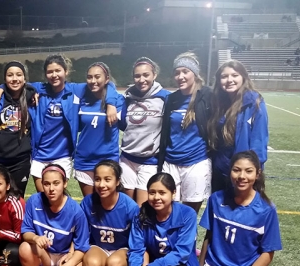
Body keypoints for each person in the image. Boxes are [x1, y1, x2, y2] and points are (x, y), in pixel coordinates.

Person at [0, 54, 119, 193]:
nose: (54, 75)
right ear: (45, 74)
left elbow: (108, 84)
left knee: (56, 198)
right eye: (50, 72)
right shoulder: (39, 89)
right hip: (39, 155)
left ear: (66, 72)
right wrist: (0, 89)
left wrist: (110, 104)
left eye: (58, 71)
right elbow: (17, 83)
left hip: (63, 156)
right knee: (44, 199)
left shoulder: (75, 90)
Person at [20, 164, 90, 266]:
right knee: (25, 248)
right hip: (44, 254)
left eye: (56, 183)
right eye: (46, 184)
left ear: (65, 183)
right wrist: (35, 238)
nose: (51, 188)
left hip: (64, 256)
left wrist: (69, 264)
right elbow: (25, 231)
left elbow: (82, 246)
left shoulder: (76, 211)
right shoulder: (34, 201)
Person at [159, 52, 213, 213]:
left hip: (196, 162)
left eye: (185, 72)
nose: (180, 76)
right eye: (177, 73)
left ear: (195, 74)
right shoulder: (172, 99)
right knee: (167, 211)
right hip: (170, 162)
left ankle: (189, 239)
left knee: (189, 214)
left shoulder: (207, 96)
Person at [80, 160, 139, 266]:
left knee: (115, 265)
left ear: (117, 181)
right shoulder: (88, 202)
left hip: (122, 249)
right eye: (98, 179)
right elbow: (80, 231)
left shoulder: (130, 207)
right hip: (99, 247)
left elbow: (138, 240)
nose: (101, 185)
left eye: (107, 179)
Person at [207, 60, 268, 193]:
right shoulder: (218, 103)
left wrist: (253, 170)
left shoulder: (254, 102)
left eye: (234, 75)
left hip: (242, 172)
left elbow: (259, 139)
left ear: (243, 77)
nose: (229, 80)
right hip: (220, 171)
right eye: (224, 77)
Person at [119, 57, 171, 205]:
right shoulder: (128, 98)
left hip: (150, 161)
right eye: (137, 76)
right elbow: (123, 124)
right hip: (127, 159)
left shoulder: (165, 97)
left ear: (154, 75)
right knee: (127, 206)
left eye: (146, 75)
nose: (141, 79)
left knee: (143, 207)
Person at [73, 62, 125, 197]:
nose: (93, 81)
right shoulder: (82, 99)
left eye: (97, 77)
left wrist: (111, 103)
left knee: (108, 204)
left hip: (107, 160)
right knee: (91, 205)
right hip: (84, 161)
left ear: (107, 78)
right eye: (89, 77)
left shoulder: (118, 101)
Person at [0, 61, 36, 194]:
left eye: (19, 75)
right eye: (10, 75)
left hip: (21, 162)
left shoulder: (30, 96)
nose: (14, 79)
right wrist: (0, 89)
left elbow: (42, 86)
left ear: (24, 78)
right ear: (4, 79)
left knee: (16, 200)